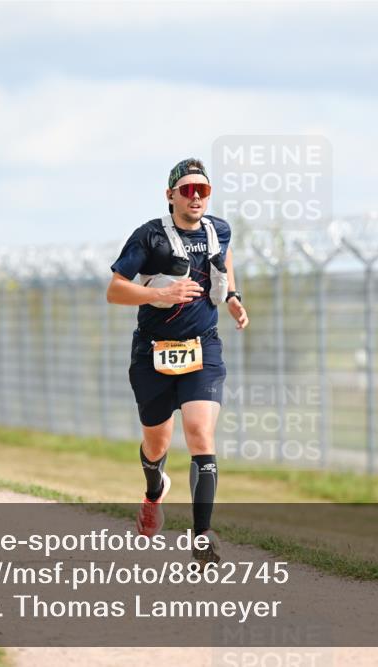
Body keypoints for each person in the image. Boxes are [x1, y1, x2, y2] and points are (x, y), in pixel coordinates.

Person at [106, 158, 249, 569]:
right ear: (170, 195)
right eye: (187, 190)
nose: (195, 197)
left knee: (200, 433)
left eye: (202, 190)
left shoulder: (217, 229)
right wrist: (159, 296)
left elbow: (226, 259)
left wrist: (234, 298)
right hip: (152, 352)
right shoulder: (149, 236)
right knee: (158, 443)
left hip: (202, 349)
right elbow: (115, 290)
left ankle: (202, 538)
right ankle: (154, 490)